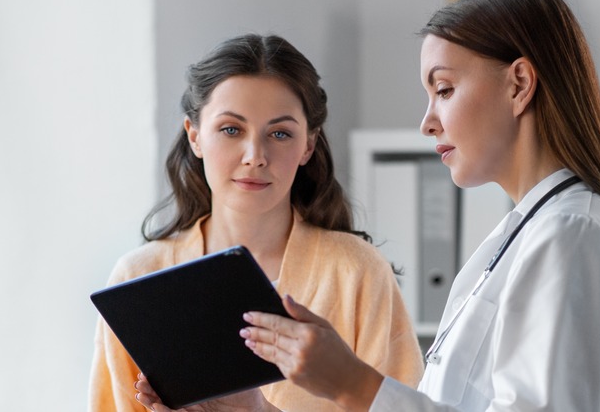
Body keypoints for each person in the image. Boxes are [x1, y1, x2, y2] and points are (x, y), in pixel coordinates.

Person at [136, 0, 600, 412]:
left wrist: (350, 382)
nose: (428, 122)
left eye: (445, 90)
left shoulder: (572, 233)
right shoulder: (525, 234)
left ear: (519, 84)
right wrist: (256, 410)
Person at [88, 33, 424, 412]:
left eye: (279, 133)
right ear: (195, 136)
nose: (255, 156)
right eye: (231, 129)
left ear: (308, 146)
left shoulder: (357, 273)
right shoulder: (137, 281)